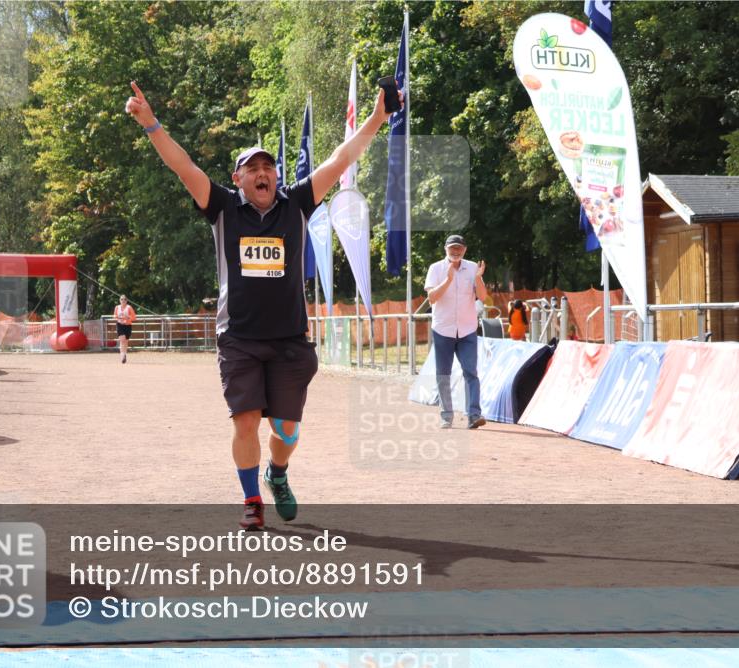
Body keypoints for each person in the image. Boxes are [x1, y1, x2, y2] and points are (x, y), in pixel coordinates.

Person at [126, 79, 402, 529]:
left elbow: (340, 159)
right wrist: (152, 124)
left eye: (268, 167)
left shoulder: (296, 202)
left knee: (287, 432)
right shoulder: (221, 207)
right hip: (238, 339)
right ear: (238, 179)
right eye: (252, 168)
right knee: (245, 422)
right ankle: (252, 499)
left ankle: (279, 472)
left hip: (290, 340)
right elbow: (183, 167)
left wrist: (376, 120)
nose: (263, 173)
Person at [424, 235, 489, 430]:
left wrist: (478, 278)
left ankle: (474, 415)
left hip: (468, 329)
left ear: (465, 250)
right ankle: (446, 416)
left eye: (459, 248)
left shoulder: (472, 268)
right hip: (443, 329)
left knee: (471, 372)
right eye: (452, 248)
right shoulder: (436, 268)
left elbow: (483, 297)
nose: (455, 252)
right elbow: (432, 298)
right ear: (445, 249)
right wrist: (448, 279)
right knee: (443, 374)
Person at [114, 295, 137, 364]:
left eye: (124, 299)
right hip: (120, 325)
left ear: (126, 301)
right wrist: (117, 317)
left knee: (126, 341)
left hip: (127, 326)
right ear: (119, 300)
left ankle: (124, 354)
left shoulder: (129, 307)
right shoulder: (117, 307)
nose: (123, 300)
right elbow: (114, 315)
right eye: (121, 299)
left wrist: (128, 317)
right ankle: (122, 356)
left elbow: (134, 318)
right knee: (122, 340)